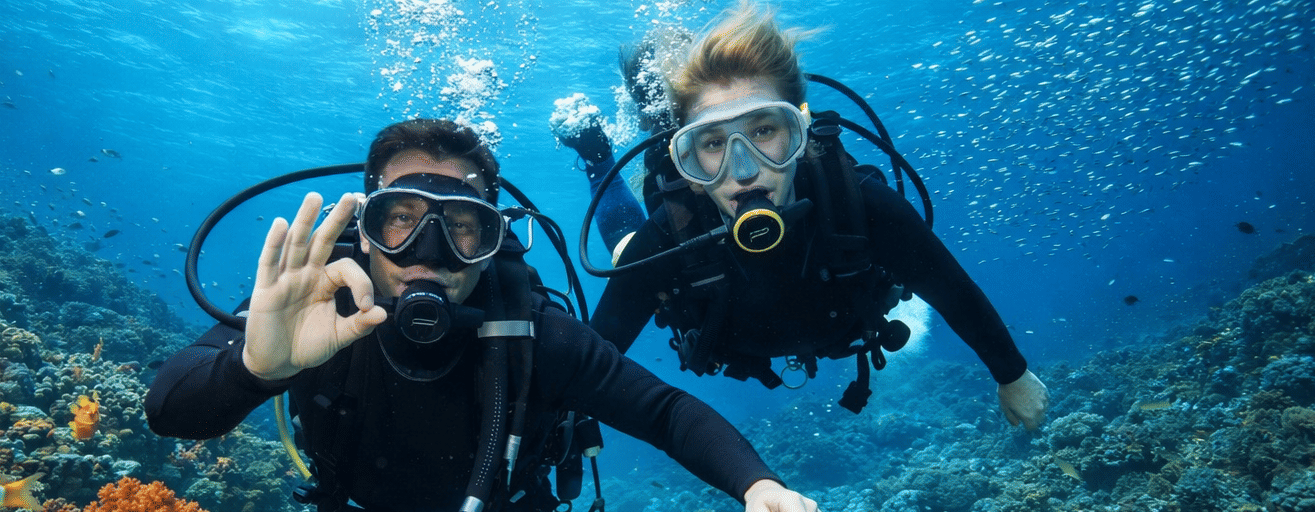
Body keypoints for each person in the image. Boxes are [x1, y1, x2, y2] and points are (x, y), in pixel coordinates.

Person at [145, 119, 818, 512]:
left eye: (462, 226)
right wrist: (256, 368)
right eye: (400, 220)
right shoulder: (312, 304)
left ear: (494, 238)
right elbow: (169, 411)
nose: (427, 254)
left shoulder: (531, 332)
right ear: (367, 227)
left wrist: (757, 486)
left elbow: (666, 413)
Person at [587, 1, 1051, 430]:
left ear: (801, 133)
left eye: (764, 130)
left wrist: (1012, 374)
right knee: (628, 247)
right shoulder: (671, 235)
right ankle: (595, 156)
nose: (745, 171)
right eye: (712, 144)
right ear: (690, 165)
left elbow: (952, 290)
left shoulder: (857, 205)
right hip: (709, 297)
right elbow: (592, 360)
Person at [552, 27, 695, 261]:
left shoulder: (661, 154)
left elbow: (631, 254)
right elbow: (631, 252)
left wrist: (598, 164)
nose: (640, 124)